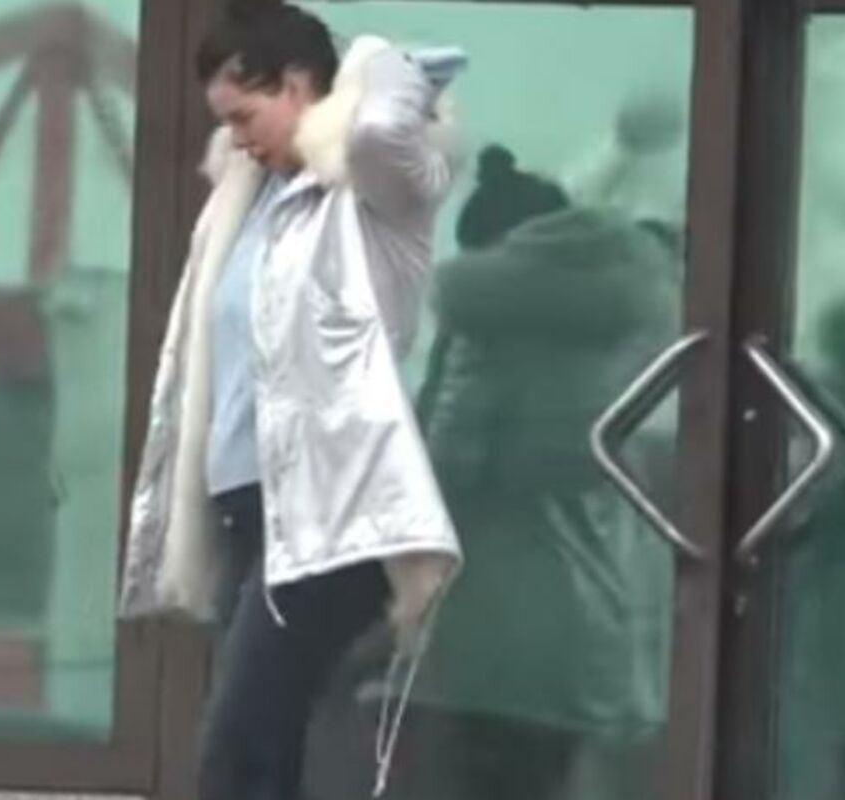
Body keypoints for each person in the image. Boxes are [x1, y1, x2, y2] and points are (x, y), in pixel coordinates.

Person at [117, 2, 465, 798]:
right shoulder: (250, 202)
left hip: (325, 515)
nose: (237, 139)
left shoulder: (374, 193)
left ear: (300, 86)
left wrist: (371, 56)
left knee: (238, 747)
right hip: (248, 511)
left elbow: (378, 129)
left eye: (245, 115)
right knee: (269, 746)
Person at [398, 146, 680, 800]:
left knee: (490, 774)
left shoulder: (492, 338)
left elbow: (443, 477)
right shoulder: (627, 324)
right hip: (604, 609)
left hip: (497, 614)